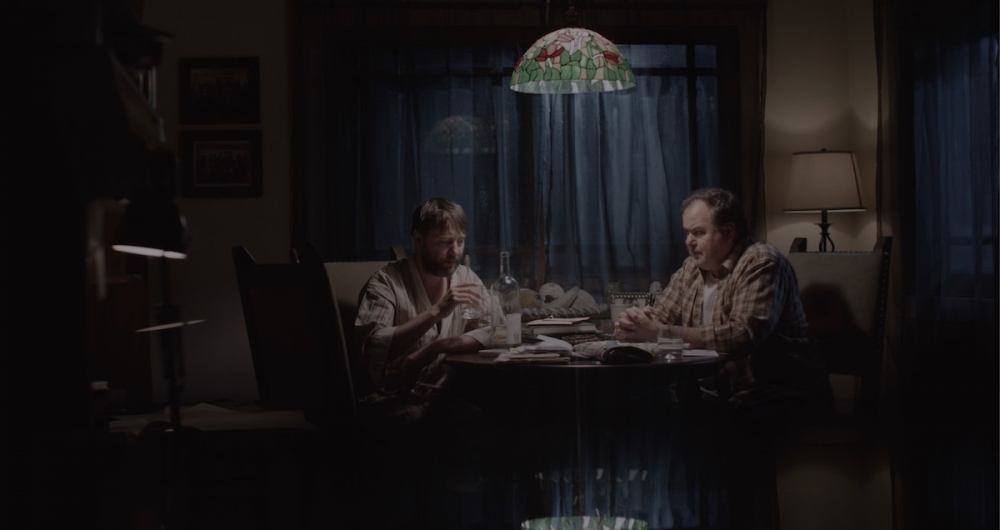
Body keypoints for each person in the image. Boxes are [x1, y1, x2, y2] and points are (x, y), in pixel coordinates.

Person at [614, 187, 832, 530]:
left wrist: (656, 332)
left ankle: (727, 520)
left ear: (728, 232)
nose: (689, 242)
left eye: (698, 232)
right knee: (638, 412)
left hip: (779, 391)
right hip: (716, 392)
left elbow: (741, 334)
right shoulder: (692, 268)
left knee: (711, 429)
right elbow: (660, 316)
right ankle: (664, 517)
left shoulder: (762, 262)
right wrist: (636, 323)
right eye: (687, 233)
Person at [355, 197, 493, 426]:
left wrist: (436, 347)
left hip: (447, 397)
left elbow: (494, 330)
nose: (455, 251)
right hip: (390, 400)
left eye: (460, 241)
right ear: (418, 239)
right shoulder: (385, 283)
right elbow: (372, 348)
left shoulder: (466, 278)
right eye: (444, 242)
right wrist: (436, 311)